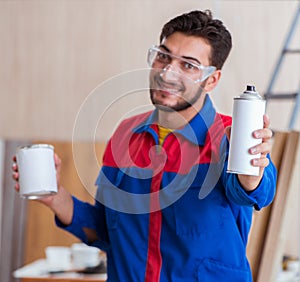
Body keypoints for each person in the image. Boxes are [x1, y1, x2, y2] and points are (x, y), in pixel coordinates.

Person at [12, 10, 277, 282]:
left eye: (188, 65)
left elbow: (259, 191)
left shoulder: (232, 137)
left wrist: (251, 173)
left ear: (211, 80)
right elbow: (106, 232)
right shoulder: (125, 136)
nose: (168, 73)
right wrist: (55, 197)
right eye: (164, 56)